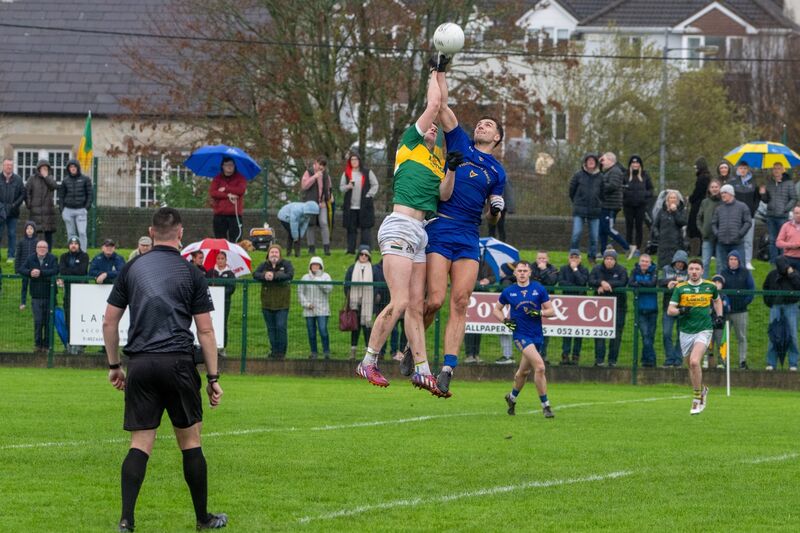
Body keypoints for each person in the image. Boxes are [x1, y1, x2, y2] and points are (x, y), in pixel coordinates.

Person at [101, 207, 226, 532]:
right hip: (179, 363)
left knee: (140, 442)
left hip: (140, 364)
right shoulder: (192, 273)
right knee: (190, 441)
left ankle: (126, 521)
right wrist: (213, 378)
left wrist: (115, 365)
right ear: (181, 233)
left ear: (151, 232)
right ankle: (203, 518)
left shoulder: (132, 268)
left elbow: (109, 321)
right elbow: (206, 331)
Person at [354, 64, 452, 392]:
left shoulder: (438, 164)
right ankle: (368, 362)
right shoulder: (408, 145)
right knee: (397, 303)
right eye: (429, 128)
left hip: (420, 232)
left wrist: (450, 169)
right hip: (399, 225)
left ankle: (422, 369)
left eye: (436, 132)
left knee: (415, 305)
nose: (432, 130)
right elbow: (436, 106)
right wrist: (436, 70)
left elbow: (444, 195)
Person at [415, 60, 507, 396]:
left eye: (489, 125)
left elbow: (493, 218)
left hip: (469, 234)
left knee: (461, 301)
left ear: (496, 138)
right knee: (436, 300)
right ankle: (414, 348)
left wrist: (496, 211)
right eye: (480, 123)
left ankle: (448, 368)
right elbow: (441, 107)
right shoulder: (460, 143)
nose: (482, 126)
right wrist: (438, 72)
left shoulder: (497, 172)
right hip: (442, 229)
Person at [493, 261, 555, 419]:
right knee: (540, 367)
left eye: (524, 271)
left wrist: (538, 313)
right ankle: (546, 406)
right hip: (521, 335)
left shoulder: (538, 289)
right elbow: (496, 309)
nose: (521, 273)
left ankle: (511, 397)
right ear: (515, 274)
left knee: (524, 372)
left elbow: (551, 311)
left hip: (537, 336)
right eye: (519, 271)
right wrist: (506, 321)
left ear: (530, 273)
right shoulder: (509, 291)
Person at [667, 259, 722, 415]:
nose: (694, 271)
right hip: (686, 331)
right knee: (691, 366)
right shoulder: (681, 288)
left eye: (697, 269)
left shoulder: (710, 286)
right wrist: (681, 310)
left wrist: (720, 316)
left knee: (694, 361)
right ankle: (702, 389)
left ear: (702, 271)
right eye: (691, 269)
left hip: (704, 329)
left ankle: (697, 399)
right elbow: (670, 310)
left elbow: (717, 301)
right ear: (688, 271)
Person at [253, 244, 294, 359]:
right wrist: (265, 275)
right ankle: (274, 351)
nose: (274, 254)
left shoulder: (286, 264)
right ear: (268, 254)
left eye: (276, 252)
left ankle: (281, 352)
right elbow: (255, 274)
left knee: (281, 327)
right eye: (272, 252)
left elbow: (290, 275)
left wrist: (274, 276)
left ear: (280, 254)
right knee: (271, 328)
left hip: (282, 303)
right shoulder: (264, 265)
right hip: (267, 303)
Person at [589, 249, 628, 367]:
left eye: (611, 259)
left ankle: (612, 360)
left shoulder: (621, 270)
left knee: (616, 334)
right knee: (600, 333)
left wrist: (607, 284)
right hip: (600, 308)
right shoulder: (596, 269)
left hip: (619, 307)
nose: (609, 261)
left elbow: (623, 282)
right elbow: (590, 281)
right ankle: (599, 359)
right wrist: (601, 283)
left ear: (615, 260)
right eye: (607, 258)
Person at [18, 240, 58, 354]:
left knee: (48, 322)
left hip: (49, 295)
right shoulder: (31, 259)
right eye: (39, 247)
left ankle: (47, 346)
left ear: (47, 248)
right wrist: (30, 272)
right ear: (36, 248)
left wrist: (40, 272)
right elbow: (21, 269)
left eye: (44, 247)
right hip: (36, 296)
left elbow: (55, 270)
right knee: (38, 321)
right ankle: (38, 345)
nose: (42, 249)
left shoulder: (52, 258)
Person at [762, 256, 800, 371]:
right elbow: (766, 289)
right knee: (774, 335)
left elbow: (799, 286)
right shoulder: (772, 275)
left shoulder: (794, 274)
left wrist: (792, 274)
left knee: (792, 335)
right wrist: (771, 303)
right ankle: (771, 363)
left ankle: (793, 363)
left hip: (791, 306)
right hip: (776, 306)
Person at [720, 251, 754, 370]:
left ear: (739, 261)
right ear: (728, 260)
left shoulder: (745, 273)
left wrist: (745, 302)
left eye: (735, 259)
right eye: (731, 259)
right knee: (723, 337)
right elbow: (719, 289)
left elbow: (751, 289)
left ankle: (742, 361)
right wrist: (723, 304)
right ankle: (722, 361)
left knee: (741, 337)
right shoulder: (723, 273)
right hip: (726, 311)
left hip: (741, 311)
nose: (733, 261)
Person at [340, 150, 379, 254]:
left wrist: (368, 195)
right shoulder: (346, 173)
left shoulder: (367, 172)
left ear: (359, 160)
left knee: (365, 229)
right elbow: (341, 188)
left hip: (364, 206)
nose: (354, 161)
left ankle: (365, 250)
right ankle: (350, 250)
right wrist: (348, 186)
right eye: (352, 159)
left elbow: (375, 185)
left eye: (355, 159)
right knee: (351, 230)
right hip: (351, 207)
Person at [568, 154, 603, 263]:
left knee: (594, 237)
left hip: (595, 211)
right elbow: (571, 190)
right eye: (589, 160)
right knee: (576, 234)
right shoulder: (578, 175)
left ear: (596, 163)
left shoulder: (601, 177)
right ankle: (574, 257)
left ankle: (592, 257)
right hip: (579, 210)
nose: (591, 162)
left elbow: (603, 193)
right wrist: (577, 202)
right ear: (585, 162)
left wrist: (599, 202)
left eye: (593, 160)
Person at [759, 162, 796, 264]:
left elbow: (794, 198)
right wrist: (762, 194)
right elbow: (766, 200)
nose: (776, 170)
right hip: (770, 216)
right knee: (772, 240)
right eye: (774, 168)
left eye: (778, 168)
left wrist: (785, 209)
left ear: (783, 170)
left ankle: (783, 261)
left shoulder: (789, 183)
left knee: (783, 240)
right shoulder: (769, 183)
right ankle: (773, 262)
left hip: (783, 217)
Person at [463, 249, 496, 364]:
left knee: (478, 329)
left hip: (480, 301)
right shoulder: (466, 264)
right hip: (469, 300)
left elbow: (493, 277)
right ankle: (469, 354)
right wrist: (477, 283)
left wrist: (488, 280)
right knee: (469, 329)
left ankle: (476, 353)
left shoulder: (485, 265)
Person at [58, 236, 90, 354]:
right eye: (71, 243)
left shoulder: (84, 256)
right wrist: (71, 272)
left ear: (79, 245)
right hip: (68, 291)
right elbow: (62, 270)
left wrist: (68, 273)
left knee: (80, 318)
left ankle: (81, 345)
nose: (73, 245)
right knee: (68, 318)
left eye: (76, 243)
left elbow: (81, 271)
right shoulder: (63, 257)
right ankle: (70, 343)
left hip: (81, 292)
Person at [557, 249, 589, 365]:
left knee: (578, 332)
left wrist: (575, 270)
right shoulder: (563, 269)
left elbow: (582, 282)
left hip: (580, 305)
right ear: (568, 258)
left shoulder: (584, 269)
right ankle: (565, 355)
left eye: (576, 258)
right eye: (572, 257)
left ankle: (576, 355)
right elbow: (561, 283)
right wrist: (573, 286)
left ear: (580, 259)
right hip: (567, 304)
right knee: (567, 331)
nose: (574, 260)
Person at [345, 246, 377, 361]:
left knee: (367, 327)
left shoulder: (372, 269)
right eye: (361, 254)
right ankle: (353, 351)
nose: (363, 257)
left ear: (369, 257)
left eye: (366, 255)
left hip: (368, 303)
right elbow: (347, 285)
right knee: (355, 327)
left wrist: (373, 299)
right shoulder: (352, 268)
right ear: (358, 255)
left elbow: (376, 285)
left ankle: (367, 352)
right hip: (355, 303)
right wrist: (350, 300)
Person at [297, 256, 332, 359]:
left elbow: (329, 289)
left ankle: (326, 352)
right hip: (309, 310)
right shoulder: (305, 277)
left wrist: (318, 280)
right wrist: (307, 304)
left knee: (323, 331)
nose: (315, 267)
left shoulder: (326, 277)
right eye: (313, 265)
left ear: (321, 266)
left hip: (323, 310)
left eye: (317, 265)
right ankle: (314, 352)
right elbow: (300, 293)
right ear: (310, 266)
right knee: (311, 333)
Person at [659, 250, 689, 367]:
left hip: (683, 308)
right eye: (678, 262)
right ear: (674, 261)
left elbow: (693, 283)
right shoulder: (666, 269)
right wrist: (669, 282)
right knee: (666, 333)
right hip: (668, 307)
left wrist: (682, 283)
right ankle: (669, 358)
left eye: (682, 262)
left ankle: (678, 360)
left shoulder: (688, 272)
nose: (680, 264)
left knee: (681, 335)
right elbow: (659, 281)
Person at [728, 161, 760, 270]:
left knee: (748, 240)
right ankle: (735, 262)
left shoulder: (753, 182)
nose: (743, 170)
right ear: (738, 169)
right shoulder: (732, 182)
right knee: (736, 239)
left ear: (748, 169)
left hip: (750, 216)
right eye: (741, 168)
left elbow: (757, 198)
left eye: (745, 168)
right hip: (736, 216)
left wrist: (753, 210)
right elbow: (729, 198)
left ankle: (747, 262)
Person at [628, 253, 658, 367]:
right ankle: (652, 360)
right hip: (640, 310)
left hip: (653, 309)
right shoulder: (634, 271)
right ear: (639, 262)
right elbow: (630, 283)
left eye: (646, 261)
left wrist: (639, 283)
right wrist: (642, 284)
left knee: (650, 336)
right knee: (645, 335)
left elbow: (652, 284)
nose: (644, 263)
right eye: (642, 261)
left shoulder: (654, 272)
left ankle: (645, 360)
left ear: (650, 263)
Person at [598, 152, 630, 255]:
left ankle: (627, 247)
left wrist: (600, 186)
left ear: (611, 160)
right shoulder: (609, 171)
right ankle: (603, 252)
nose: (602, 162)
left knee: (608, 229)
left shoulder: (615, 171)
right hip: (605, 205)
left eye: (604, 160)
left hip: (611, 205)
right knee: (602, 230)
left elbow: (613, 186)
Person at [209, 156, 247, 243]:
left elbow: (240, 190)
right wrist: (228, 195)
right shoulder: (217, 178)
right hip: (219, 214)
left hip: (235, 215)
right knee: (220, 240)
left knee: (236, 240)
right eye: (226, 165)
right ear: (222, 166)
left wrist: (226, 189)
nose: (229, 167)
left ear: (234, 166)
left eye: (231, 165)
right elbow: (213, 192)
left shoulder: (240, 178)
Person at [622, 155, 653, 260]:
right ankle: (628, 247)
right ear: (630, 164)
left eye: (637, 163)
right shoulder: (625, 175)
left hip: (641, 205)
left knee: (639, 227)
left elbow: (651, 190)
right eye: (633, 163)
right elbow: (620, 188)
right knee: (629, 226)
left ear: (640, 164)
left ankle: (638, 248)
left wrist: (644, 195)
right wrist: (625, 194)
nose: (635, 165)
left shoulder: (645, 175)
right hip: (628, 205)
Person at [58, 158, 93, 251]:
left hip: (81, 210)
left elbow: (90, 194)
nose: (72, 168)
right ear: (68, 169)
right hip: (68, 210)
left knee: (82, 232)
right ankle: (72, 252)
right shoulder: (65, 181)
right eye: (70, 167)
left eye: (74, 167)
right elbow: (61, 196)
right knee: (71, 233)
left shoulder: (85, 179)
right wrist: (62, 210)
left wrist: (86, 208)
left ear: (78, 168)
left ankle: (83, 253)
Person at [300, 156, 333, 256]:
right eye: (320, 164)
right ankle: (311, 248)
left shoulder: (326, 175)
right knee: (311, 224)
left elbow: (329, 187)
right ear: (316, 163)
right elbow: (304, 186)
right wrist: (314, 177)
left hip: (322, 203)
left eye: (323, 165)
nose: (321, 167)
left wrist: (329, 197)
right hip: (310, 204)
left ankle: (326, 248)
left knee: (324, 223)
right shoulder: (308, 172)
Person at [206, 251, 236, 357]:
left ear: (226, 260)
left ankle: (222, 347)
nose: (220, 261)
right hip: (211, 304)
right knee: (210, 324)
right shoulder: (210, 272)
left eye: (222, 259)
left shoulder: (230, 274)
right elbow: (206, 286)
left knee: (223, 324)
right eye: (218, 259)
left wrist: (220, 293)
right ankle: (210, 347)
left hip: (224, 303)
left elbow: (232, 288)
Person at [712, 183, 752, 264]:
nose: (722, 195)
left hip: (737, 243)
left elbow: (748, 222)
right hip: (721, 244)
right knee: (721, 268)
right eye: (721, 193)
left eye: (725, 193)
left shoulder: (742, 206)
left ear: (731, 194)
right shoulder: (718, 209)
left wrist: (739, 234)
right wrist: (717, 234)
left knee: (740, 267)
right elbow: (713, 223)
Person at [531, 251, 558, 363]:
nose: (541, 260)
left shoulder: (552, 269)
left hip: (547, 303)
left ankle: (543, 354)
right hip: (532, 302)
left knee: (545, 330)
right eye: (539, 258)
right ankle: (532, 354)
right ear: (536, 259)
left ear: (547, 259)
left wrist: (543, 270)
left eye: (543, 258)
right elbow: (531, 282)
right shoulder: (530, 268)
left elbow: (552, 282)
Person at [24, 159, 58, 250]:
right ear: (38, 169)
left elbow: (54, 186)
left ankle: (49, 254)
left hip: (48, 212)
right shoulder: (32, 179)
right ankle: (35, 253)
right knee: (35, 234)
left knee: (48, 234)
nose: (44, 169)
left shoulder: (50, 178)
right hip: (35, 212)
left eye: (46, 168)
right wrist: (29, 204)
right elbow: (27, 192)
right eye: (42, 168)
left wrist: (46, 177)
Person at [651, 189, 688, 269]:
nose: (673, 199)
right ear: (667, 199)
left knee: (675, 264)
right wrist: (658, 235)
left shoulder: (681, 210)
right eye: (671, 198)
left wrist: (675, 211)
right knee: (663, 265)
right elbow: (655, 225)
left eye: (675, 198)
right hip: (663, 242)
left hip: (676, 242)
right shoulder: (662, 211)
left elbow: (682, 222)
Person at [0, 158, 25, 263]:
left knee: (12, 234)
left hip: (13, 212)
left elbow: (23, 194)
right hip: (0, 212)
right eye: (7, 165)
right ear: (3, 166)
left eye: (10, 165)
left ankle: (11, 256)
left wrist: (14, 205)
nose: (9, 167)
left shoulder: (18, 179)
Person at [687, 157, 712, 254]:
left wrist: (690, 198)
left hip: (699, 205)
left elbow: (697, 192)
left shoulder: (702, 178)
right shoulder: (707, 177)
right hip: (702, 204)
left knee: (698, 227)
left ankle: (700, 251)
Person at [697, 179, 722, 274]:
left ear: (719, 188)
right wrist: (702, 230)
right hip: (707, 236)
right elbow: (699, 218)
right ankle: (703, 283)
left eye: (716, 187)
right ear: (709, 189)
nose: (714, 189)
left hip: (720, 237)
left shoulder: (723, 202)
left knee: (720, 263)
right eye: (712, 187)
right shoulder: (705, 202)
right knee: (705, 262)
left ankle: (719, 284)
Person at [706, 274, 730, 370]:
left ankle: (722, 361)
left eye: (719, 283)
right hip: (708, 324)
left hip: (720, 325)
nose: (716, 284)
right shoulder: (708, 295)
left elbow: (727, 308)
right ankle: (709, 362)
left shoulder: (724, 296)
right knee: (708, 344)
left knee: (720, 343)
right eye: (714, 282)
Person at [14, 220, 37, 310]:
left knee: (33, 286)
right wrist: (17, 269)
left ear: (34, 230)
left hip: (33, 268)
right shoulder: (21, 242)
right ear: (25, 230)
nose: (29, 230)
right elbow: (18, 256)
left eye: (31, 228)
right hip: (24, 269)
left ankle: (33, 302)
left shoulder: (37, 242)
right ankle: (23, 302)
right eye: (27, 228)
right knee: (24, 286)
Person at [487, 176, 514, 242]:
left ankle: (500, 242)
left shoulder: (503, 179)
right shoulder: (503, 179)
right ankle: (493, 243)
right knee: (494, 227)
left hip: (500, 206)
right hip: (495, 205)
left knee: (499, 226)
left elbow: (508, 194)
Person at [776, 205, 800, 270]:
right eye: (797, 213)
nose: (798, 215)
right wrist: (792, 245)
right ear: (793, 214)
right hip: (788, 258)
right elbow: (778, 242)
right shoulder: (786, 225)